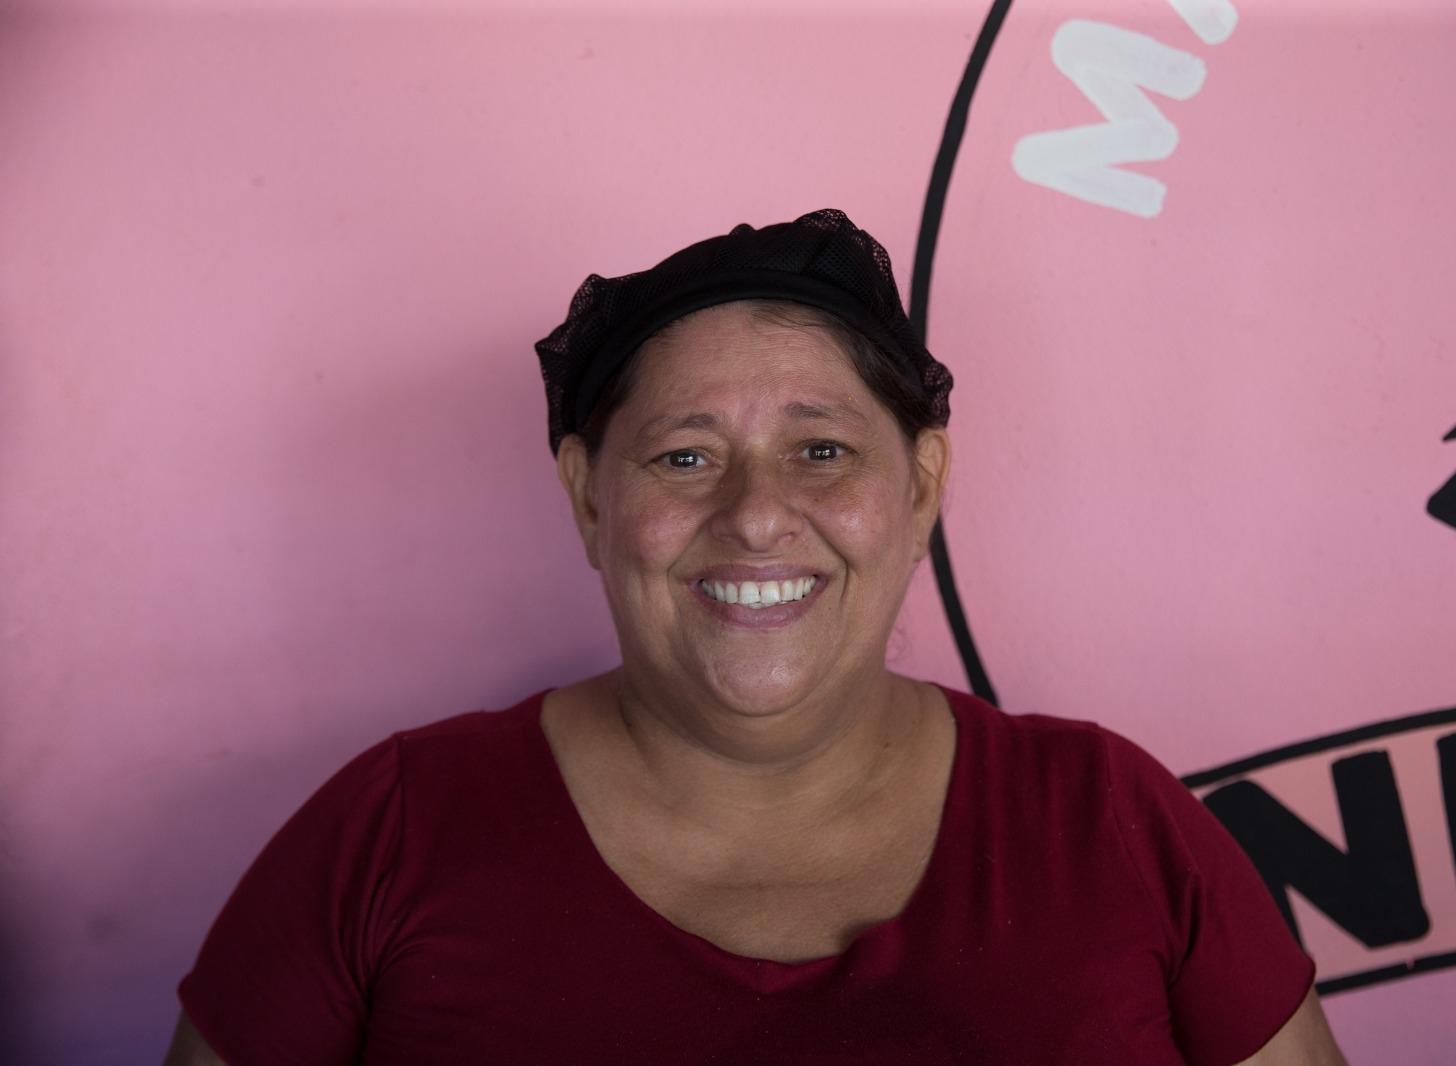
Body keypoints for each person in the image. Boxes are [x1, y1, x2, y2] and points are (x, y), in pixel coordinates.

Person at [165, 209, 1346, 1065]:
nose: (757, 513)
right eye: (685, 455)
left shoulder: (1109, 819)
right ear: (588, 499)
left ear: (920, 486)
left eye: (821, 449)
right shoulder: (391, 832)